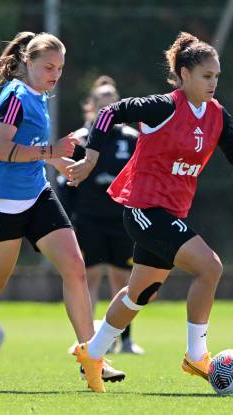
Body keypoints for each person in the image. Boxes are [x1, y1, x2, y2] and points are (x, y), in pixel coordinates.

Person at [66, 31, 233, 389]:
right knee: (211, 267)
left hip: (172, 213)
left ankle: (91, 354)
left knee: (139, 293)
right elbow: (110, 111)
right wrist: (92, 156)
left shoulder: (216, 114)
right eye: (207, 76)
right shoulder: (163, 107)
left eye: (217, 76)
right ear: (184, 74)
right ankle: (196, 355)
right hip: (144, 210)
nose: (213, 83)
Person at [0, 32, 123, 393]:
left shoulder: (40, 94)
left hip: (36, 193)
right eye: (48, 67)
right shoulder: (15, 97)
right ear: (27, 62)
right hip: (1, 202)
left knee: (75, 268)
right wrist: (51, 151)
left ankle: (92, 356)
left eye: (60, 68)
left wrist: (59, 163)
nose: (55, 74)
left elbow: (31, 148)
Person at [60, 75, 143, 355]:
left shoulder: (132, 139)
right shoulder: (82, 139)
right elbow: (68, 182)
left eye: (113, 103)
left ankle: (126, 340)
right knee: (89, 278)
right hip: (89, 220)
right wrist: (67, 221)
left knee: (124, 281)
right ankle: (88, 340)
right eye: (102, 103)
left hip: (122, 222)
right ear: (92, 107)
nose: (108, 109)